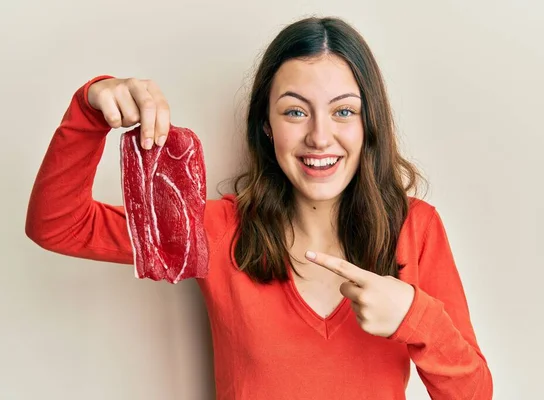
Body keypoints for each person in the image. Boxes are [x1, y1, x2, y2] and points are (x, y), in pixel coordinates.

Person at [25, 16, 493, 400]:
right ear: (266, 126)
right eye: (294, 111)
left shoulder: (417, 228)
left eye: (343, 111)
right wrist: (90, 109)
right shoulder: (215, 229)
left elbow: (474, 394)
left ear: (369, 124)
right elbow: (59, 226)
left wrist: (416, 316)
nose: (320, 137)